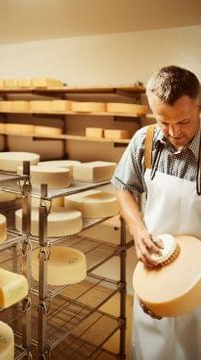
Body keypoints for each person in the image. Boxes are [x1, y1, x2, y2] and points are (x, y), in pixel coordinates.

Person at [111, 65, 201, 360]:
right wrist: (138, 230)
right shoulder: (144, 141)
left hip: (198, 276)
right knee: (152, 348)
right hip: (154, 267)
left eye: (184, 121)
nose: (174, 133)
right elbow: (123, 187)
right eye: (163, 121)